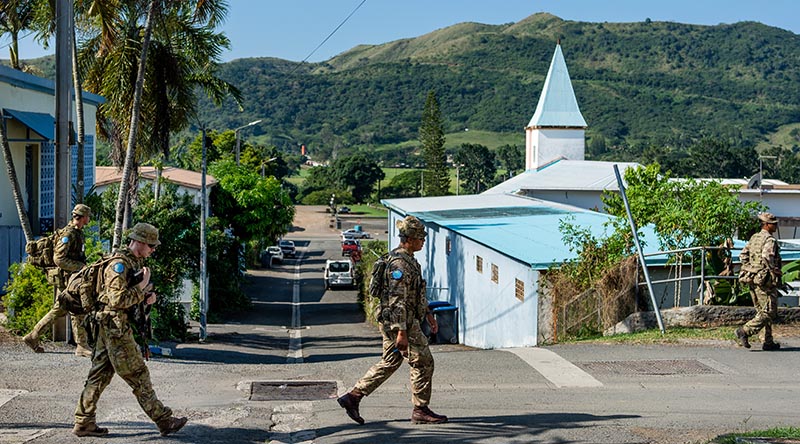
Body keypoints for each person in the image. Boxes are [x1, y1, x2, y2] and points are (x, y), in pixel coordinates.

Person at [72, 223, 187, 437]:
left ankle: (84, 421)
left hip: (110, 326)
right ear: (140, 242)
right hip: (115, 327)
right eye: (151, 245)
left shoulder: (133, 262)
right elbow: (116, 300)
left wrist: (145, 295)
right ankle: (163, 420)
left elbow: (125, 296)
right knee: (138, 374)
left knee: (99, 375)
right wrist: (141, 288)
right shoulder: (119, 265)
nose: (153, 250)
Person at [338, 215, 448, 425]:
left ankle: (353, 397)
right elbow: (398, 301)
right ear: (410, 238)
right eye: (420, 238)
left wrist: (427, 313)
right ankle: (420, 409)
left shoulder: (407, 260)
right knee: (424, 362)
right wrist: (402, 332)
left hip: (397, 321)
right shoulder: (400, 264)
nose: (423, 241)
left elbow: (413, 294)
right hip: (400, 323)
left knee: (390, 361)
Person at [24, 204, 93, 357]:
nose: (89, 219)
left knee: (61, 309)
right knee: (75, 307)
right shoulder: (68, 234)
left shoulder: (77, 233)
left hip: (72, 278)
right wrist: (81, 267)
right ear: (82, 217)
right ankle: (81, 345)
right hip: (67, 278)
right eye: (87, 216)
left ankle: (33, 336)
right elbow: (59, 258)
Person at [735, 212, 782, 351]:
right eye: (773, 224)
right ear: (766, 225)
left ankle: (768, 341)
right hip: (764, 280)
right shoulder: (770, 240)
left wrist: (750, 268)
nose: (775, 226)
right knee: (769, 312)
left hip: (752, 277)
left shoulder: (755, 237)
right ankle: (744, 331)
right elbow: (767, 257)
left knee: (761, 311)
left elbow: (743, 255)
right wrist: (774, 270)